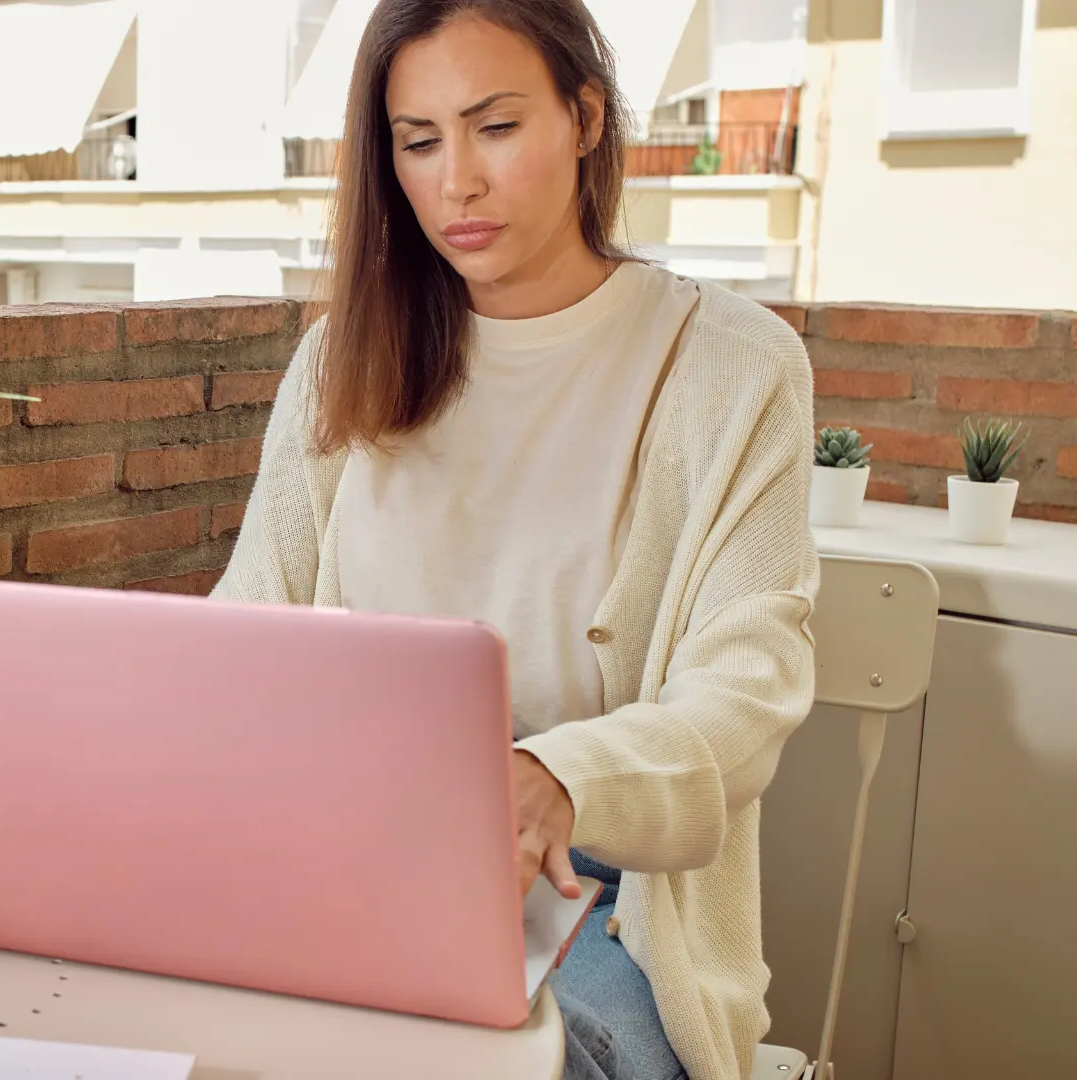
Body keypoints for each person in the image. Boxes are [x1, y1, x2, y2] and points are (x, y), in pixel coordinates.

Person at [211, 2, 818, 1079]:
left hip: (602, 892)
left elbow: (749, 683)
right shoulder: (338, 363)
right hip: (350, 856)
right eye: (419, 141)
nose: (457, 184)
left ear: (585, 118)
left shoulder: (731, 366)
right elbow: (243, 632)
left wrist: (555, 778)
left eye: (496, 127)